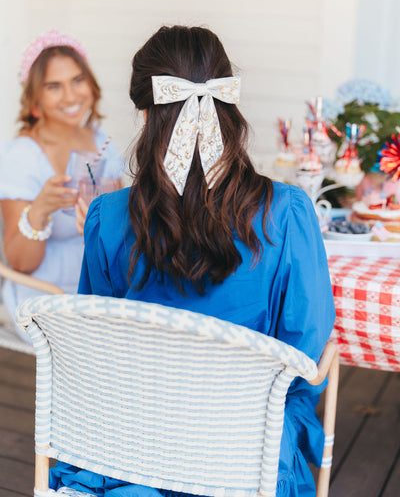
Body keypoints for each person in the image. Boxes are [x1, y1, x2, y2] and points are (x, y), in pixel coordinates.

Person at [49, 25, 335, 496]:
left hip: (131, 445)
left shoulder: (106, 218)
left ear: (145, 113)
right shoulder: (288, 213)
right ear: (227, 104)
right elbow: (305, 350)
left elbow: (100, 342)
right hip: (245, 453)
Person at [0, 30, 124, 340]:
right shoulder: (21, 156)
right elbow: (20, 263)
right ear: (34, 97)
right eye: (54, 86)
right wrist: (40, 209)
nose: (70, 97)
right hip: (45, 297)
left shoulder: (100, 142)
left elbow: (121, 233)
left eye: (77, 81)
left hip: (99, 291)